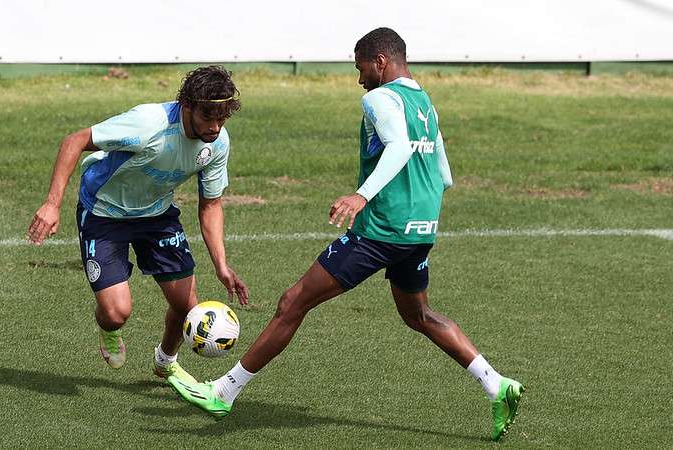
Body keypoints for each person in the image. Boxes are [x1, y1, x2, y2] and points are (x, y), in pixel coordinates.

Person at [167, 29, 524, 441]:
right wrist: (417, 211)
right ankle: (497, 385)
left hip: (381, 231)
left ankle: (224, 392)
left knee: (292, 302)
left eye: (361, 68)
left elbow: (400, 147)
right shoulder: (424, 102)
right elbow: (443, 176)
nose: (360, 79)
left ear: (381, 61)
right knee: (419, 315)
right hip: (420, 230)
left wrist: (362, 195)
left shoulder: (378, 98)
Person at [27, 65, 250, 384]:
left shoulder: (216, 143)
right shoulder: (149, 123)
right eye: (207, 118)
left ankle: (165, 361)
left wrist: (222, 265)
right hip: (105, 212)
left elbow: (210, 205)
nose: (215, 127)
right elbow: (74, 141)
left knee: (187, 307)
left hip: (156, 215)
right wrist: (52, 204)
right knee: (116, 312)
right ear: (187, 106)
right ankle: (108, 329)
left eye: (222, 118)